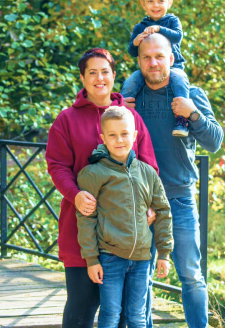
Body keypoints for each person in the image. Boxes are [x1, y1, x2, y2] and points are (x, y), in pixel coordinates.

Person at [45, 48, 158, 328]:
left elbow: (149, 166)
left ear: (114, 76)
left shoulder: (130, 119)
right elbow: (57, 165)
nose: (99, 78)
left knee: (121, 314)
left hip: (126, 233)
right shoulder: (66, 120)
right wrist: (75, 194)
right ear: (82, 78)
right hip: (82, 228)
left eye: (105, 72)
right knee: (81, 308)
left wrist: (150, 204)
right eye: (92, 73)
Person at [122, 33, 224, 328]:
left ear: (171, 58)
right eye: (146, 57)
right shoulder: (130, 98)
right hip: (138, 201)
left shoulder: (191, 93)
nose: (153, 63)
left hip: (179, 199)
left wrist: (193, 115)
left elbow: (214, 142)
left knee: (191, 275)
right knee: (142, 277)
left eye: (159, 56)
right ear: (139, 61)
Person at [76, 106, 173, 328]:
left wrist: (164, 253)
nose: (119, 140)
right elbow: (86, 219)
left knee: (137, 316)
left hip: (142, 258)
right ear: (103, 138)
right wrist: (91, 259)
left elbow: (163, 211)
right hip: (110, 257)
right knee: (110, 314)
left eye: (125, 134)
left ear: (135, 135)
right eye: (112, 135)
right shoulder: (94, 174)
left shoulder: (147, 172)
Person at [122, 0, 189, 137]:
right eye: (151, 1)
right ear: (143, 4)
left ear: (169, 2)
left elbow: (177, 37)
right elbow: (132, 51)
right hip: (147, 69)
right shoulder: (140, 27)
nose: (156, 5)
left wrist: (159, 29)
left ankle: (181, 120)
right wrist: (136, 42)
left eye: (160, 1)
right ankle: (121, 117)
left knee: (180, 82)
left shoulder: (172, 21)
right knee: (130, 83)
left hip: (174, 67)